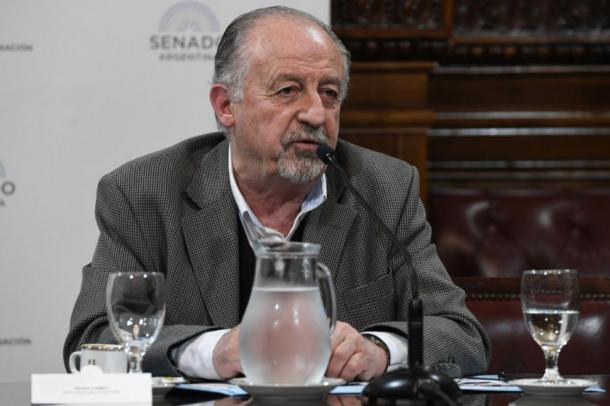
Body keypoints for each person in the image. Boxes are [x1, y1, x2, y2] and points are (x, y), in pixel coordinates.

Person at [64, 6, 490, 381]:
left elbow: (461, 335)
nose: (316, 114)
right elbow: (94, 340)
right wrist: (213, 352)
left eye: (329, 93)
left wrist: (378, 350)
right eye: (288, 90)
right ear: (226, 106)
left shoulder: (383, 188)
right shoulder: (144, 193)